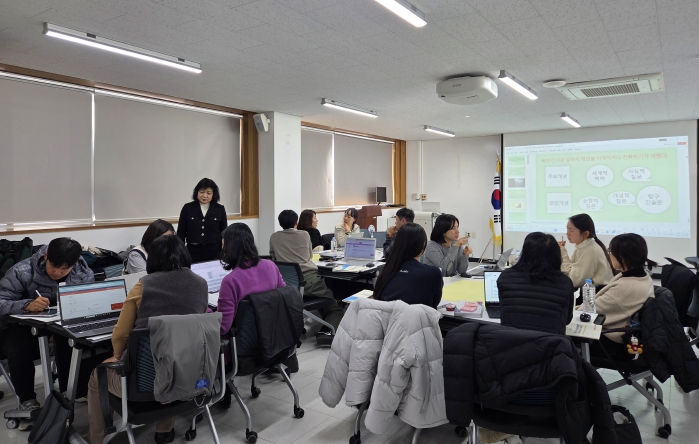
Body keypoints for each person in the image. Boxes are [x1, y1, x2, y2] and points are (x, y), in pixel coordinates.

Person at [87, 235, 208, 444]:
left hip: (144, 383)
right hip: (187, 374)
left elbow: (121, 334)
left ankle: (96, 439)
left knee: (97, 376)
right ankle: (164, 431)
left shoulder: (144, 286)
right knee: (170, 354)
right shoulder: (201, 284)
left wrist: (118, 358)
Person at [0, 238, 94, 431]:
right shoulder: (22, 271)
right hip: (22, 327)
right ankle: (27, 400)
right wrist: (26, 305)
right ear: (46, 256)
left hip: (60, 325)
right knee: (19, 345)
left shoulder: (82, 272)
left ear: (74, 264)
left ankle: (72, 391)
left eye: (64, 269)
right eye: (54, 266)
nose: (58, 273)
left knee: (75, 339)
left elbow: (88, 301)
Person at [269, 210, 344, 344]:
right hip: (310, 281)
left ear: (280, 223)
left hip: (287, 286)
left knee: (324, 299)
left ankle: (325, 325)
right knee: (334, 305)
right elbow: (309, 255)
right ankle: (327, 331)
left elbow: (273, 258)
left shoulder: (274, 237)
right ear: (296, 222)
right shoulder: (304, 234)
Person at [498, 232, 574, 335]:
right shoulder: (564, 282)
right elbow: (567, 320)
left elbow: (504, 312)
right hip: (551, 343)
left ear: (525, 253)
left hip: (512, 342)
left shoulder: (506, 277)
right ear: (556, 256)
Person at [590, 233, 656, 352]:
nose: (609, 255)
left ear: (623, 257)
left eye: (611, 251)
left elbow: (589, 310)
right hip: (622, 334)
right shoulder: (641, 276)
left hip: (611, 341)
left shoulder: (626, 287)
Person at [218, 223, 286, 337]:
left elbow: (223, 328)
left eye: (223, 246)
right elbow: (283, 297)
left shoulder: (230, 281)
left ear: (230, 248)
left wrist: (206, 312)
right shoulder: (271, 266)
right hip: (273, 337)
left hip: (243, 342)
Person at [373, 223, 442, 308]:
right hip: (418, 316)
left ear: (396, 244)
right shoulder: (433, 273)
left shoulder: (386, 271)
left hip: (387, 316)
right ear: (423, 245)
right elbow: (434, 303)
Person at [177, 178, 228, 263]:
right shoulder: (188, 208)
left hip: (214, 252)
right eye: (202, 192)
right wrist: (180, 251)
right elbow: (181, 232)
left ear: (213, 194)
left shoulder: (220, 209)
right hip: (192, 252)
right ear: (197, 192)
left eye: (208, 193)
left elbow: (224, 232)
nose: (204, 195)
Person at [559, 213, 614, 289]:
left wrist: (562, 252)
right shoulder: (583, 247)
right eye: (567, 229)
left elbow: (573, 281)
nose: (567, 234)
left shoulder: (590, 250)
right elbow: (571, 271)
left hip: (596, 292)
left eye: (571, 230)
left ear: (586, 233)